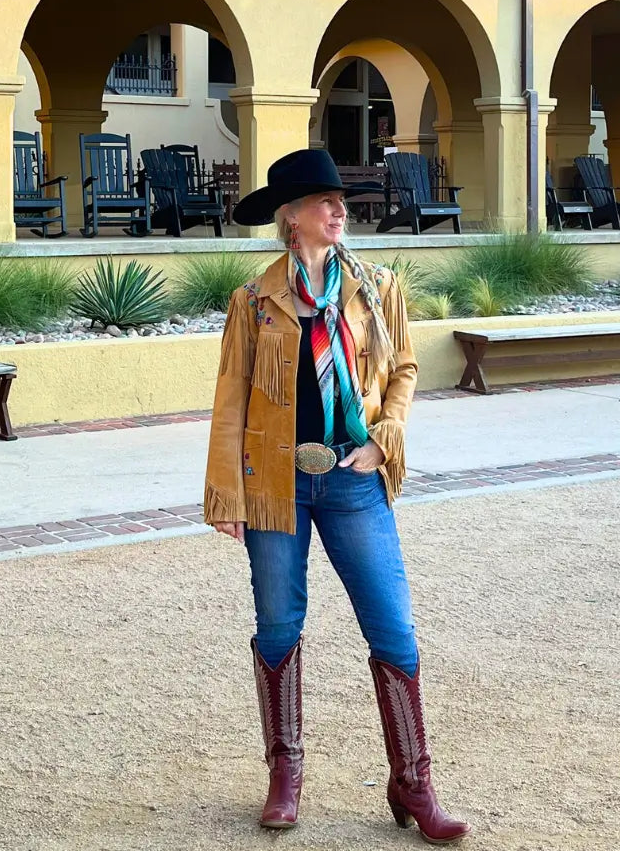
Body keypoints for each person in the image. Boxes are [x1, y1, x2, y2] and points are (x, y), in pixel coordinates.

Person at [204, 148, 469, 842]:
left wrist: (384, 438)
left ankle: (414, 782)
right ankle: (284, 775)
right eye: (324, 202)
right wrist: (226, 494)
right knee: (277, 626)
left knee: (393, 629)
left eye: (340, 200)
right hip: (277, 483)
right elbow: (231, 400)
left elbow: (403, 368)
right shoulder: (254, 302)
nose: (338, 209)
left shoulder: (376, 287)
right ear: (292, 219)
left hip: (353, 481)